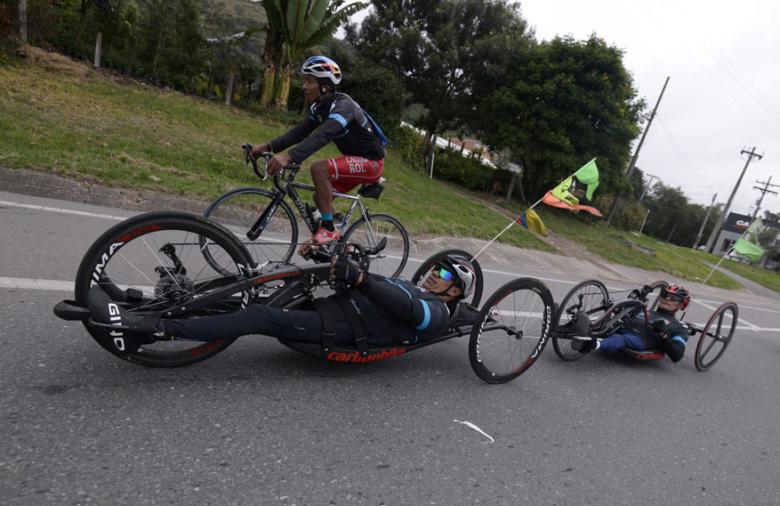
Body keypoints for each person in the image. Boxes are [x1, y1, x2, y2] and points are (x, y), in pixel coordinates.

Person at [86, 253, 476, 354]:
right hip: (329, 306)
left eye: (443, 276)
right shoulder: (408, 283)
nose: (433, 274)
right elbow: (374, 283)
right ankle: (137, 301)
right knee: (241, 297)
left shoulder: (438, 312)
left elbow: (410, 313)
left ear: (455, 292)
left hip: (340, 333)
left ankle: (153, 332)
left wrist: (361, 279)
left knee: (257, 317)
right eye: (436, 268)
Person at [251, 55, 386, 246]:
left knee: (319, 169)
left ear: (326, 86)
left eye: (310, 81)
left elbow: (323, 135)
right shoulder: (319, 107)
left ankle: (329, 230)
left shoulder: (344, 106)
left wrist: (289, 157)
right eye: (304, 80)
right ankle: (337, 248)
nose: (304, 86)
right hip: (355, 160)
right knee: (321, 196)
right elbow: (298, 133)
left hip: (372, 162)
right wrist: (264, 147)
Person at [571, 284, 691, 362]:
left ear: (681, 305)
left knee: (621, 339)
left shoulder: (680, 326)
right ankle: (564, 326)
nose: (667, 299)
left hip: (640, 339)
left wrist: (664, 335)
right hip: (621, 325)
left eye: (674, 298)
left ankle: (590, 345)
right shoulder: (647, 310)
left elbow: (677, 355)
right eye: (665, 295)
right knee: (606, 318)